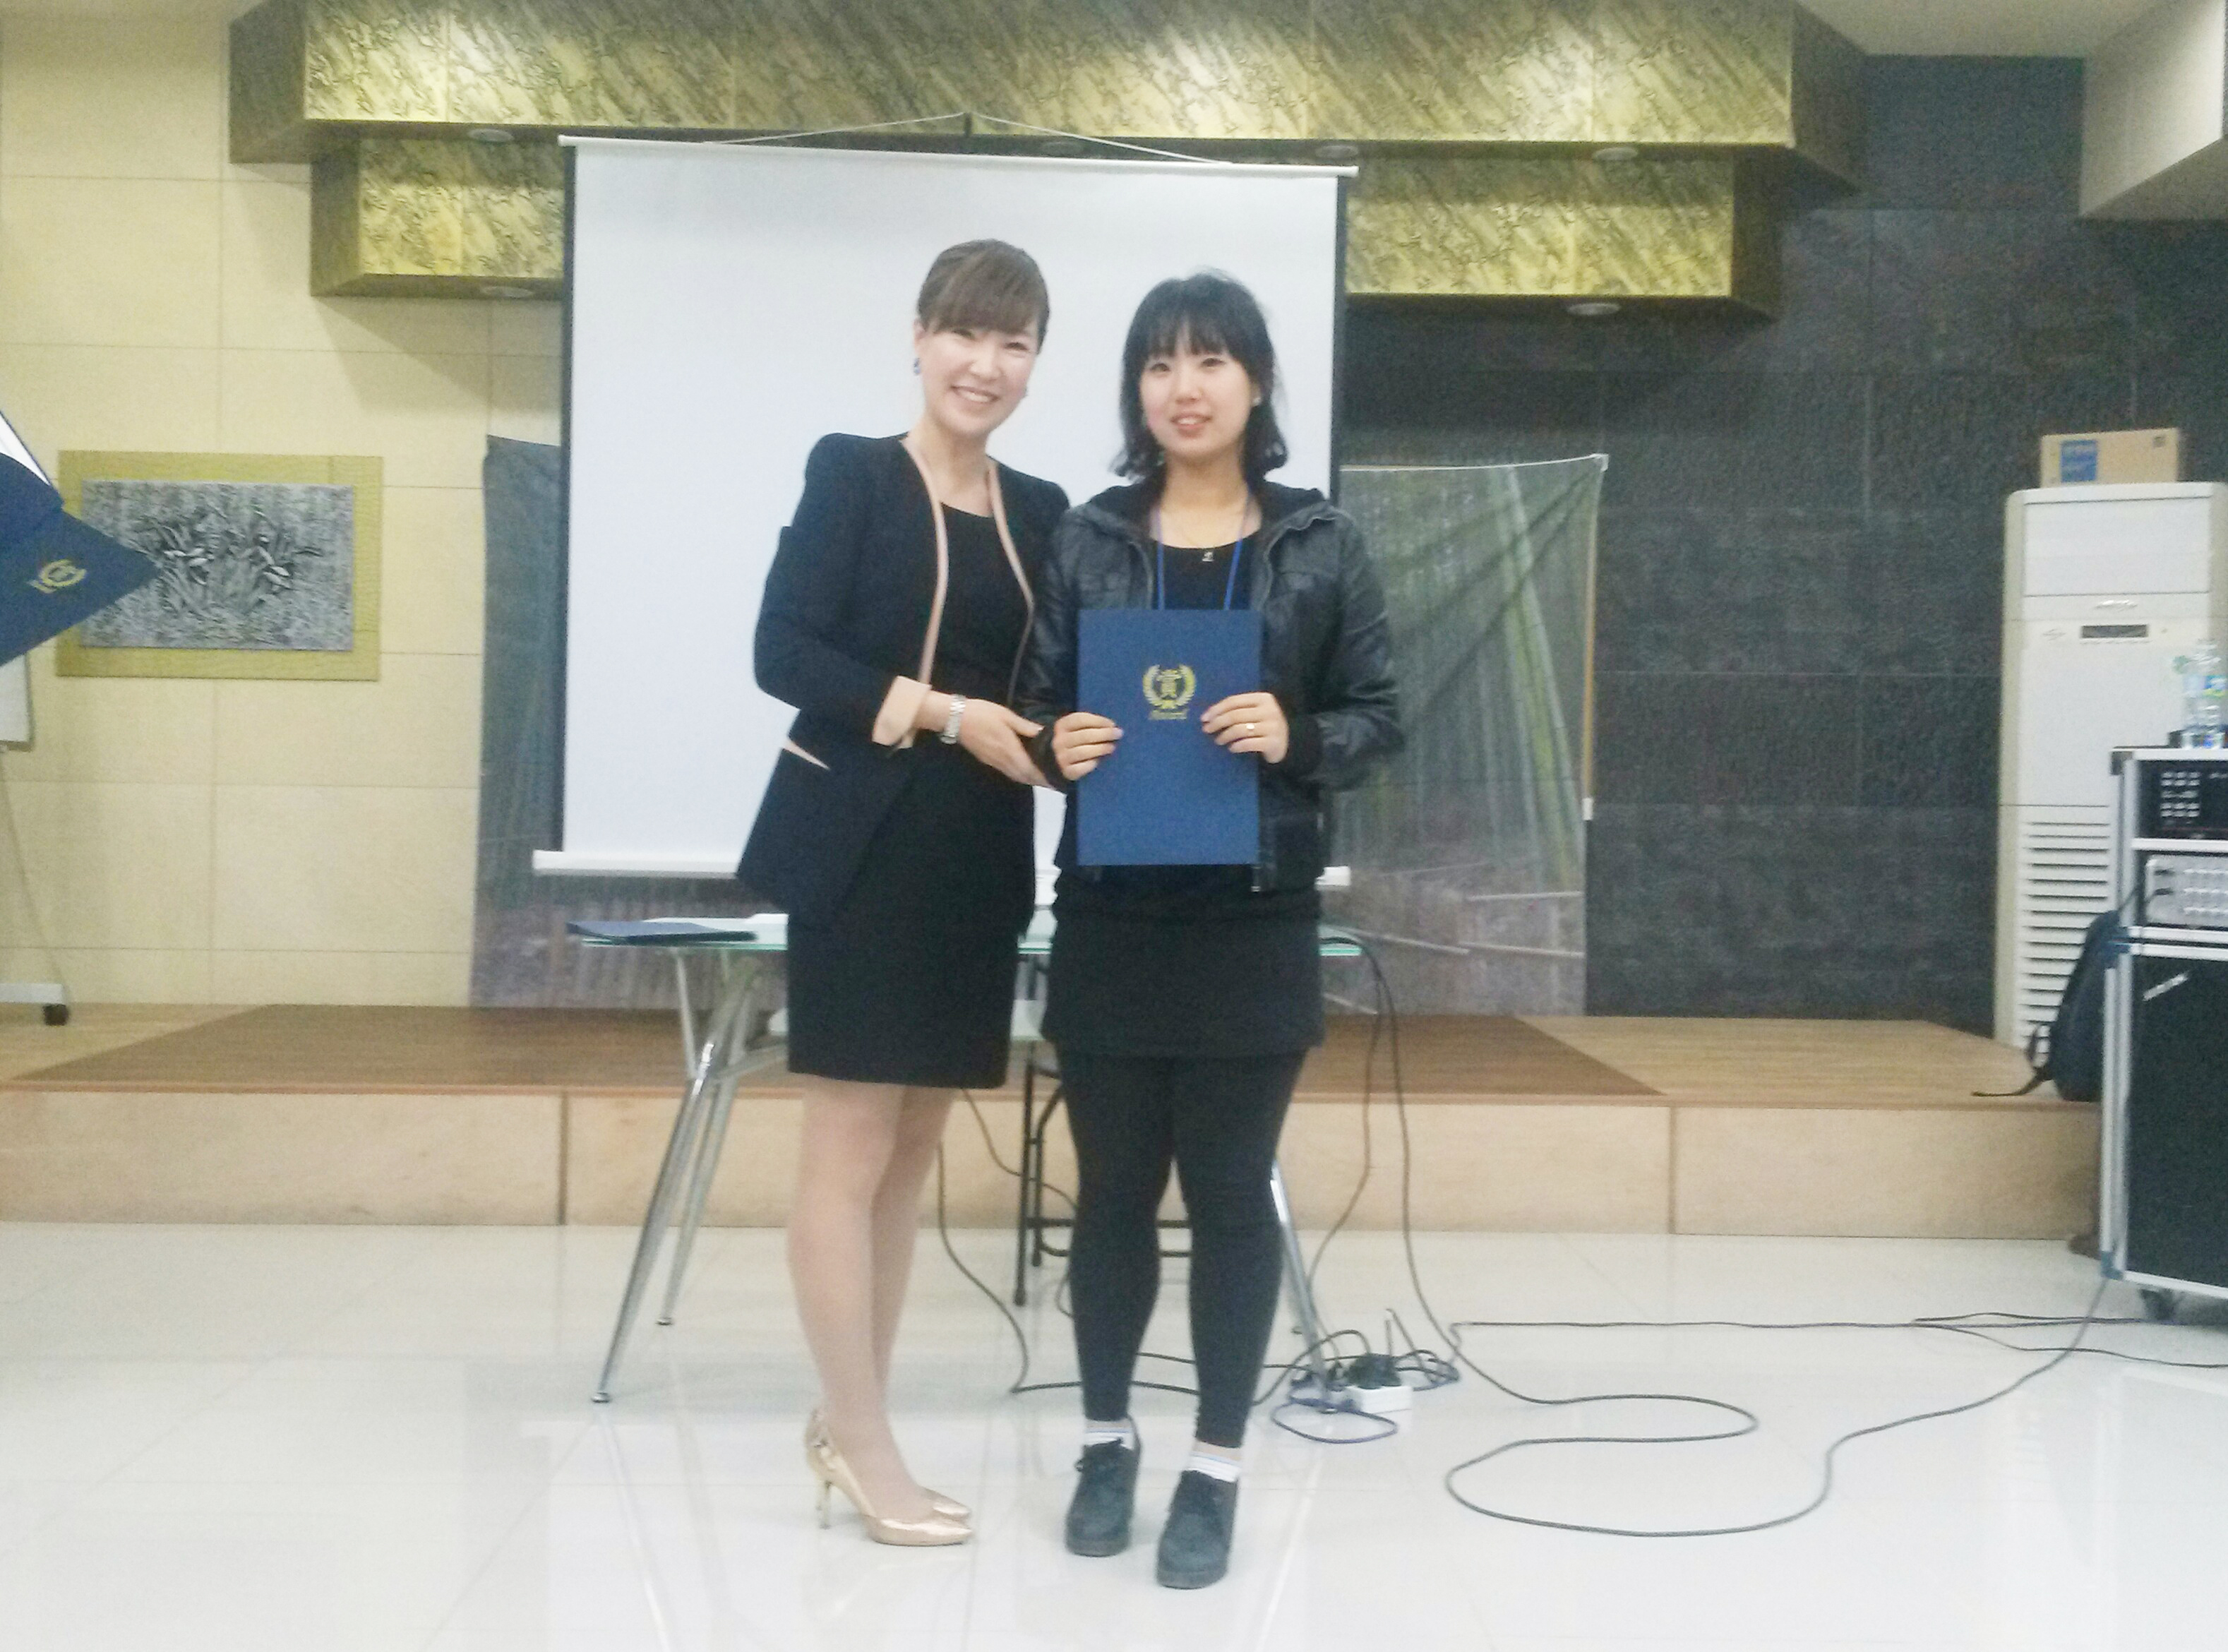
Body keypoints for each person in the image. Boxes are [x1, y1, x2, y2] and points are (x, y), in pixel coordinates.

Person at [1014, 272, 1402, 1587]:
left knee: (1233, 1198)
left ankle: (1216, 1468)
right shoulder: (1088, 538)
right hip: (1113, 915)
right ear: (1137, 389)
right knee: (1113, 1196)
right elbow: (1035, 711)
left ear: (1256, 382)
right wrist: (1056, 745)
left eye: (1211, 362)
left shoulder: (1319, 541)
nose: (1185, 388)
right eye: (1159, 364)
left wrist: (1298, 735)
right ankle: (1105, 1444)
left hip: (1254, 918)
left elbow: (1380, 717)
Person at [739, 241, 1067, 1547]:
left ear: (1035, 362)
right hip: (862, 847)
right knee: (850, 1147)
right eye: (965, 335)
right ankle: (862, 1444)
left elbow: (1051, 686)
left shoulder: (1043, 508)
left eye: (1014, 343)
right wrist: (944, 713)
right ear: (920, 338)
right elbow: (782, 651)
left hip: (977, 856)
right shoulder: (853, 473)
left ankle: (851, 1421)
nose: (985, 365)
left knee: (914, 1151)